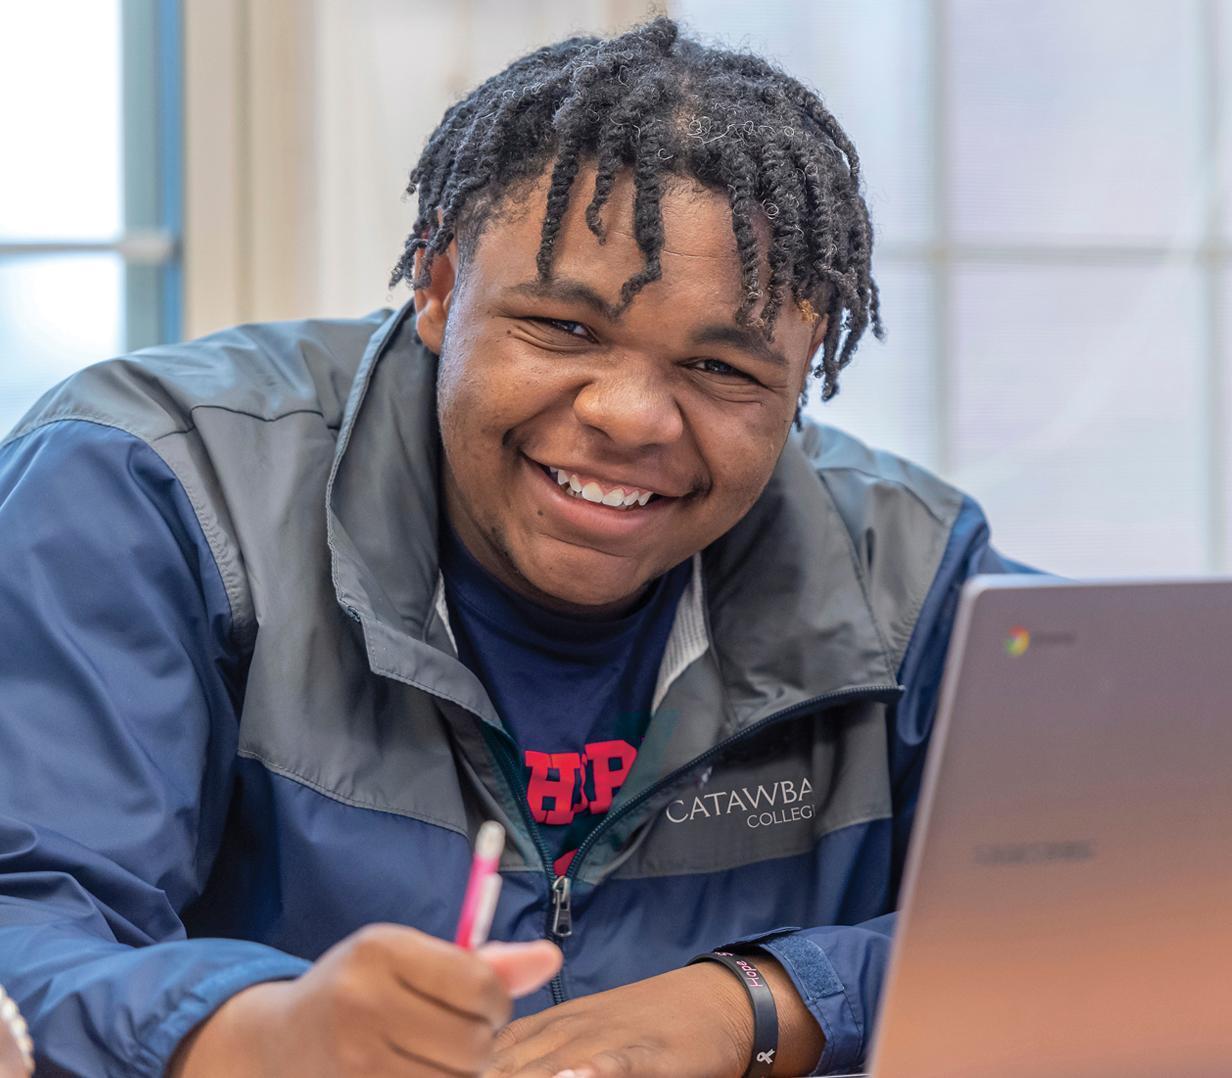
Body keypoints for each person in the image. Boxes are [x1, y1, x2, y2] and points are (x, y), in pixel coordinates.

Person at [0, 18, 1018, 1077]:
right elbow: (24, 918)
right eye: (564, 329)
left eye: (723, 369)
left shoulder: (915, 576)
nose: (631, 417)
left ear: (803, 375)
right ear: (438, 285)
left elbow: (1141, 902)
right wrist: (251, 1030)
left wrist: (760, 1004)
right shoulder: (155, 489)